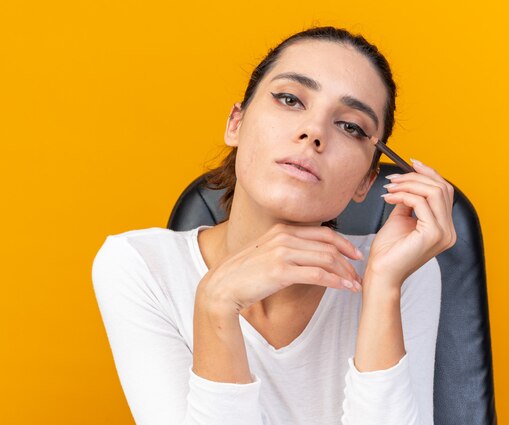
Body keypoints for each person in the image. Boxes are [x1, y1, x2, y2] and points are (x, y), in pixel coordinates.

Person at [92, 26, 457, 425]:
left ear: (366, 182)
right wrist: (216, 302)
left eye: (350, 126)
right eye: (290, 99)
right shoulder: (139, 266)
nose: (314, 132)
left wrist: (383, 287)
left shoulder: (404, 272)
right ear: (236, 123)